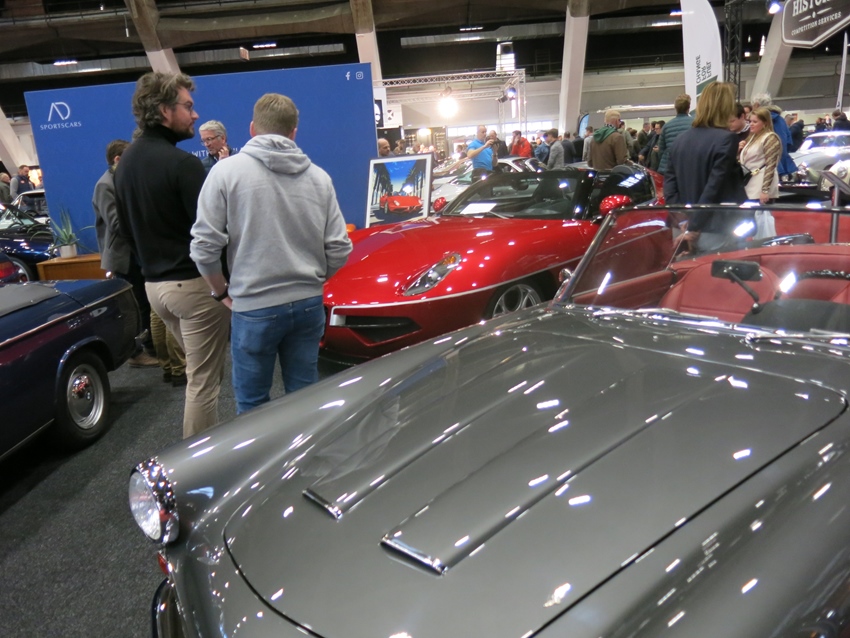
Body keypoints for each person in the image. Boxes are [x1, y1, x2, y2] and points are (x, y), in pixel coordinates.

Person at [191, 93, 352, 414]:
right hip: (307, 304)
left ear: (252, 128)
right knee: (306, 401)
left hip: (253, 305)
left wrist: (220, 292)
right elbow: (339, 247)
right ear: (294, 132)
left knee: (253, 407)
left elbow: (204, 247)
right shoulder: (319, 178)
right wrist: (315, 279)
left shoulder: (224, 173)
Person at [114, 71, 231, 438]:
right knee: (203, 383)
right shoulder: (183, 164)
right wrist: (224, 288)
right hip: (194, 289)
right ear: (165, 110)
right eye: (188, 106)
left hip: (156, 290)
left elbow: (125, 232)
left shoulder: (125, 163)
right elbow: (210, 234)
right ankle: (199, 464)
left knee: (202, 375)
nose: (195, 115)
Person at [91, 139, 158, 368]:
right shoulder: (105, 185)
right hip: (123, 257)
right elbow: (116, 223)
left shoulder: (126, 180)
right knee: (132, 309)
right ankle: (135, 353)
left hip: (138, 253)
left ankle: (151, 347)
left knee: (145, 303)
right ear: (118, 159)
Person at [664, 81, 748, 254]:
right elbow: (714, 187)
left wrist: (682, 221)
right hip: (712, 227)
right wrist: (693, 226)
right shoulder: (726, 139)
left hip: (681, 228)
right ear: (726, 107)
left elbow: (670, 186)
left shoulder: (680, 140)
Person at [739, 107, 781, 205]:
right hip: (750, 183)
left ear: (765, 123)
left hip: (761, 185)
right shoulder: (752, 137)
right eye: (750, 121)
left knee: (761, 214)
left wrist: (765, 190)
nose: (751, 124)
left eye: (755, 122)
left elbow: (771, 165)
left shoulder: (770, 137)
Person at [750, 93, 797, 177]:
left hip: (766, 167)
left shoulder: (761, 120)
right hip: (784, 165)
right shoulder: (781, 120)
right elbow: (789, 142)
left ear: (756, 105)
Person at [657, 94, 693, 175]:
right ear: (688, 107)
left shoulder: (666, 126)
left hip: (669, 168)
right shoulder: (695, 124)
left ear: (676, 108)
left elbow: (661, 150)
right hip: (689, 167)